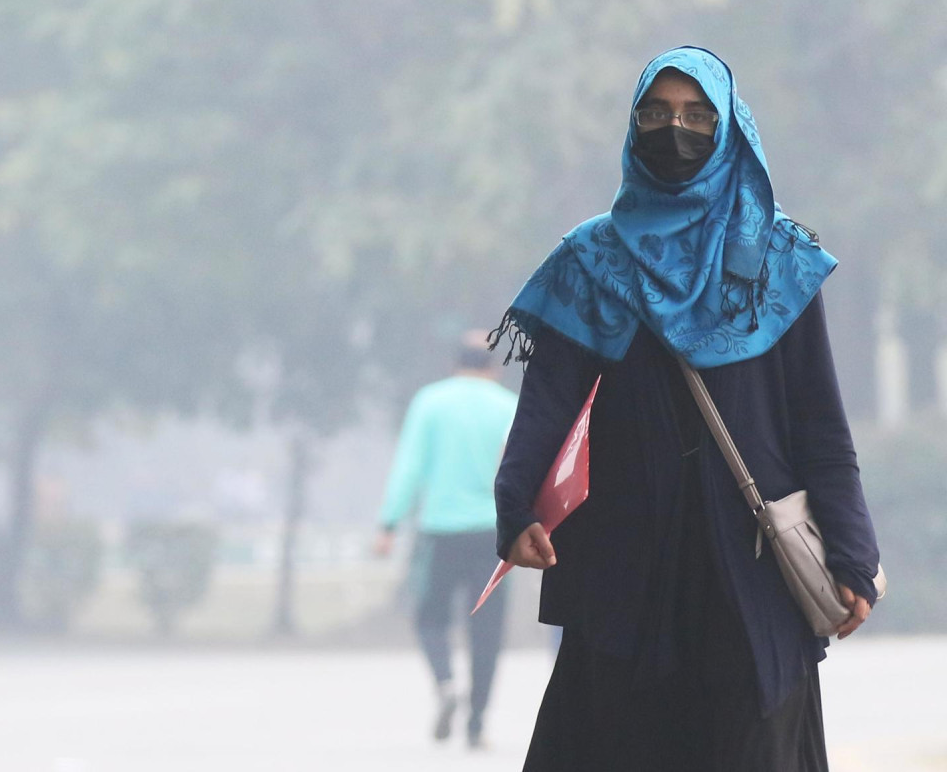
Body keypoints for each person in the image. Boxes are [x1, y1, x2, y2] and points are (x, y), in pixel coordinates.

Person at [490, 46, 881, 771]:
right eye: (657, 114)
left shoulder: (778, 261)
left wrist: (854, 553)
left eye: (699, 116)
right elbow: (547, 402)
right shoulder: (589, 261)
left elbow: (821, 427)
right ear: (632, 127)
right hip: (623, 573)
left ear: (731, 129)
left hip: (753, 573)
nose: (677, 129)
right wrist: (515, 510)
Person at [374, 332, 518, 749]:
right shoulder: (508, 407)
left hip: (440, 531)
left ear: (456, 365)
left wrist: (388, 523)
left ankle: (445, 681)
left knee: (430, 618)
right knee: (486, 631)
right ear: (493, 368)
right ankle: (476, 724)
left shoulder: (430, 403)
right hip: (495, 534)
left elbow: (410, 466)